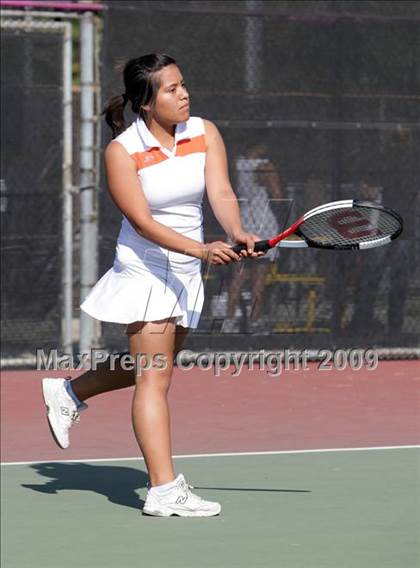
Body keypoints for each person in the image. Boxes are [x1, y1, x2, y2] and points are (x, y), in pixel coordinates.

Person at [41, 53, 264, 517]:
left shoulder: (204, 132)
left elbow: (220, 191)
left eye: (183, 84)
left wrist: (237, 230)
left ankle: (70, 392)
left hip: (184, 270)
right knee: (155, 379)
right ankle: (163, 490)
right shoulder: (122, 151)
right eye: (170, 89)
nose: (183, 94)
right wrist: (202, 249)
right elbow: (141, 223)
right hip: (146, 267)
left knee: (149, 367)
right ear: (145, 102)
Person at [222, 144, 283, 333]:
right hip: (261, 223)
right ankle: (254, 322)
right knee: (258, 280)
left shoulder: (236, 164)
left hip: (242, 220)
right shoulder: (263, 166)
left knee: (238, 277)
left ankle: (229, 321)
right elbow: (277, 194)